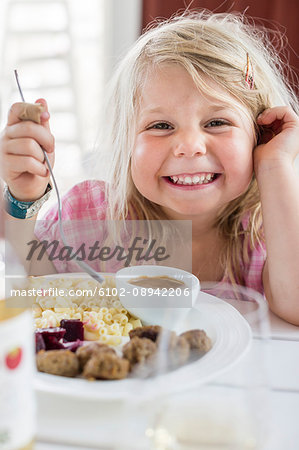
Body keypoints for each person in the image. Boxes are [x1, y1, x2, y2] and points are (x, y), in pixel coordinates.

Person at [1, 11, 299, 324]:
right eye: (160, 125)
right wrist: (23, 198)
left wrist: (275, 164)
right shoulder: (91, 215)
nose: (189, 145)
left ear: (259, 134)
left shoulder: (272, 224)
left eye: (216, 122)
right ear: (126, 142)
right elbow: (26, 291)